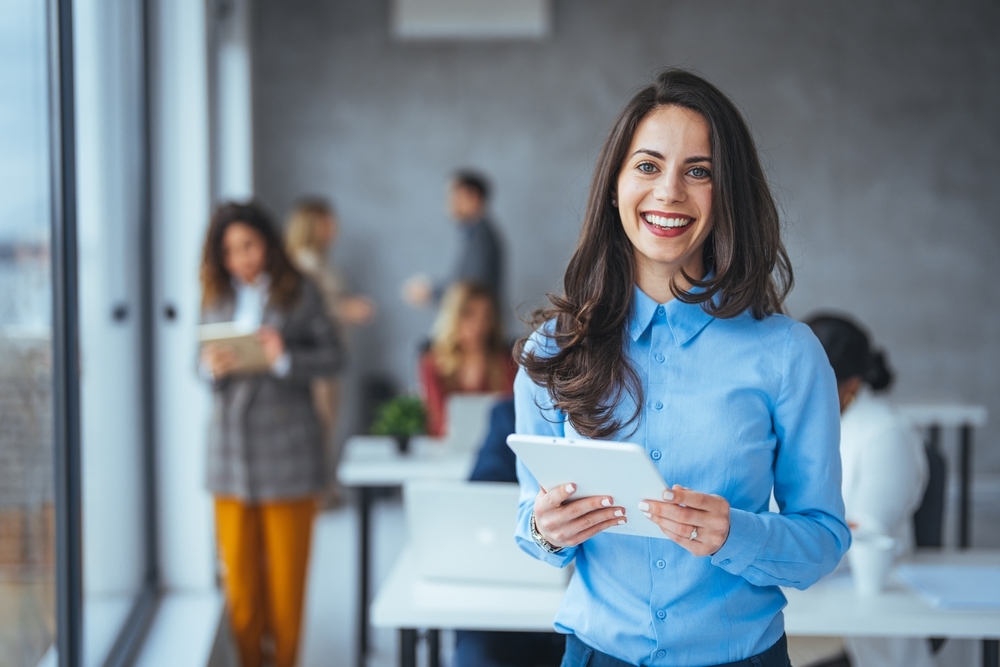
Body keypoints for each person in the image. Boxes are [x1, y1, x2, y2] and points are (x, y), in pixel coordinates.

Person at [513, 68, 850, 667]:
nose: (669, 191)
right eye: (647, 166)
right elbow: (531, 523)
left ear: (729, 195)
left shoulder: (788, 355)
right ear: (613, 186)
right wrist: (545, 531)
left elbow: (823, 540)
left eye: (699, 172)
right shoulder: (552, 349)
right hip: (595, 654)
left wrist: (736, 535)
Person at [199, 201, 344, 667]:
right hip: (229, 456)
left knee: (285, 590)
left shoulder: (299, 293)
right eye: (229, 250)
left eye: (248, 245)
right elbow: (195, 364)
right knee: (241, 589)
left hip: (289, 455)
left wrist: (284, 357)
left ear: (268, 243)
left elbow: (335, 357)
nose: (241, 258)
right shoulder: (216, 296)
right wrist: (211, 369)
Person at [806, 313, 931, 667]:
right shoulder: (804, 423)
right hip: (799, 595)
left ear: (853, 384)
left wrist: (787, 543)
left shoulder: (886, 433)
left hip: (855, 613)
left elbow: (866, 532)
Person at [452, 397, 566, 667]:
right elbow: (481, 497)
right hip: (507, 578)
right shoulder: (509, 414)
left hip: (578, 603)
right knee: (478, 653)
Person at [285, 197, 375, 504]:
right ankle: (317, 493)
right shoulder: (305, 264)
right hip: (316, 360)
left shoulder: (318, 261)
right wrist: (346, 310)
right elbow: (311, 311)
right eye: (328, 221)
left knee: (327, 424)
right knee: (320, 425)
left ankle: (322, 490)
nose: (334, 228)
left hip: (329, 357)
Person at [418, 281, 515, 438]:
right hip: (446, 448)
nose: (479, 324)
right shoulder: (433, 362)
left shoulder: (507, 361)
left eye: (486, 316)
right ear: (454, 316)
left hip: (495, 445)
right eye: (469, 314)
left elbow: (511, 412)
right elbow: (437, 419)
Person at [402, 169, 504, 306]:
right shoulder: (473, 234)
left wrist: (432, 292)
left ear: (473, 197)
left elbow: (472, 288)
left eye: (455, 195)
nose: (450, 202)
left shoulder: (481, 239)